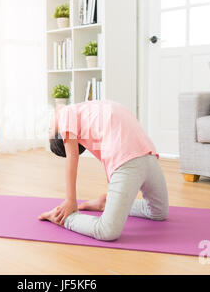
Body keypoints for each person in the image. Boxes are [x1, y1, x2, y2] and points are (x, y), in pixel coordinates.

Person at [38, 100, 169, 241]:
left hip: (147, 153)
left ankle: (106, 203)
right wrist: (71, 201)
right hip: (129, 159)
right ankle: (65, 218)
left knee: (159, 212)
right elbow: (73, 155)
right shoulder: (67, 114)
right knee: (106, 231)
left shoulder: (75, 111)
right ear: (61, 134)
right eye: (50, 130)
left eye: (49, 129)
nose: (50, 125)